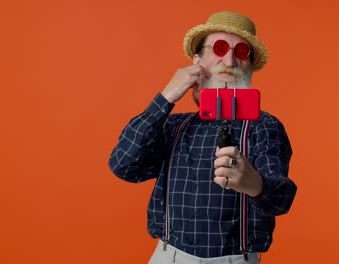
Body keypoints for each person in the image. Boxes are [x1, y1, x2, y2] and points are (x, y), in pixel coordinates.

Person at [108, 11, 297, 264]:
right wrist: (165, 97)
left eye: (241, 52)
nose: (229, 60)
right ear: (198, 60)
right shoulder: (174, 125)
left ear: (249, 65)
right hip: (168, 257)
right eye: (219, 48)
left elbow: (282, 199)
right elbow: (124, 165)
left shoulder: (264, 126)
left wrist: (255, 184)